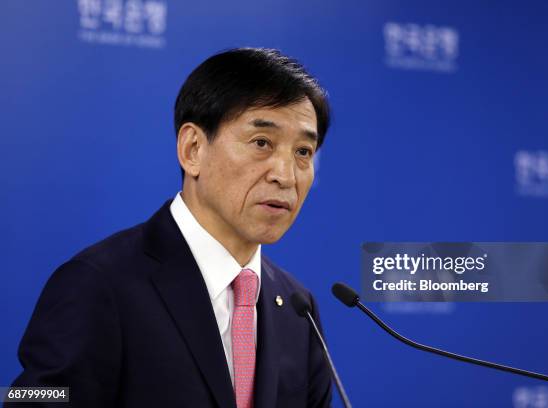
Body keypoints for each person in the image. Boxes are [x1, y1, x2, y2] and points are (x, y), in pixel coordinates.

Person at [8, 48, 332, 408]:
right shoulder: (98, 284)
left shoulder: (298, 309)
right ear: (192, 148)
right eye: (261, 143)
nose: (285, 176)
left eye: (303, 152)